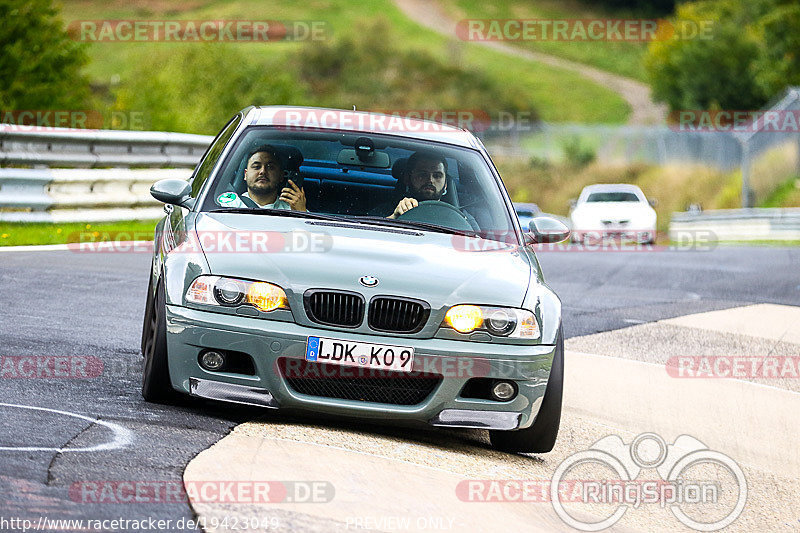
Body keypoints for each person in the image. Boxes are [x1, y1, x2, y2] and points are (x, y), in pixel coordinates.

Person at [216, 145, 306, 211]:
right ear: (245, 175)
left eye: (270, 167)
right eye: (256, 166)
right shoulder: (228, 205)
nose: (263, 171)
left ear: (281, 176)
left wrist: (301, 212)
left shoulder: (293, 209)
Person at [387, 151, 448, 219]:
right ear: (407, 179)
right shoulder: (388, 210)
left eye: (437, 176)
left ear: (445, 184)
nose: (430, 180)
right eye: (422, 175)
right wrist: (395, 217)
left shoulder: (455, 216)